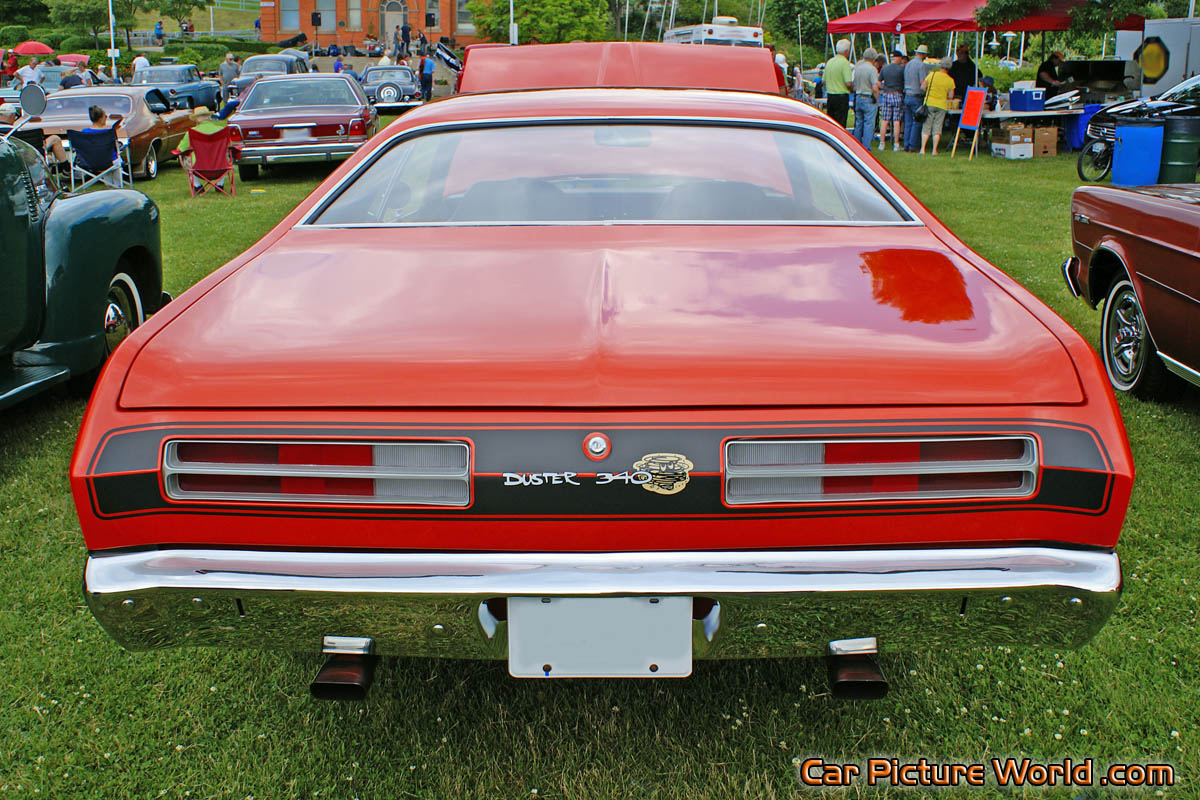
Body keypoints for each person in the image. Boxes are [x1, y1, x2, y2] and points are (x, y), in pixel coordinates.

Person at [920, 57, 955, 155]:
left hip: (929, 103)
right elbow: (951, 96)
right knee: (937, 127)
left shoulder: (932, 75)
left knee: (926, 126)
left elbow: (923, 87)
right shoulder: (950, 80)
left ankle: (922, 149)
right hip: (941, 105)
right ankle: (934, 150)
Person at [851, 47, 880, 150]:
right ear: (873, 58)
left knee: (858, 122)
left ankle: (856, 145)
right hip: (868, 97)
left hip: (858, 96)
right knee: (869, 123)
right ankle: (866, 147)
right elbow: (875, 87)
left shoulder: (857, 68)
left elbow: (853, 84)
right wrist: (876, 99)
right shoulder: (872, 69)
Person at [902, 43, 929, 152]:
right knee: (916, 122)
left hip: (907, 94)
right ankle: (913, 145)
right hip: (916, 96)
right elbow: (922, 82)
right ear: (924, 55)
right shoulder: (921, 65)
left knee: (907, 121)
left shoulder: (908, 64)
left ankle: (906, 144)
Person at [878, 49, 905, 152]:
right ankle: (896, 144)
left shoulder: (885, 69)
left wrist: (884, 88)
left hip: (886, 94)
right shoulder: (901, 69)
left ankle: (882, 143)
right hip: (897, 95)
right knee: (896, 121)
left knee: (885, 120)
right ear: (898, 58)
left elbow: (879, 82)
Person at [824, 39, 854, 130]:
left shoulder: (830, 62)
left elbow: (823, 81)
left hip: (830, 95)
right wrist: (853, 89)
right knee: (841, 124)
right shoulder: (845, 63)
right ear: (847, 51)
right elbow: (848, 83)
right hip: (841, 96)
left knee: (831, 123)